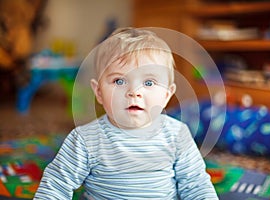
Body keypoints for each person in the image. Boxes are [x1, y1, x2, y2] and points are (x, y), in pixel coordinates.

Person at [34, 28, 219, 199]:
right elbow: (55, 185)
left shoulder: (178, 134)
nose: (134, 92)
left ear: (166, 94)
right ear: (99, 92)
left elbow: (196, 184)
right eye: (119, 81)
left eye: (148, 82)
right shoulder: (85, 139)